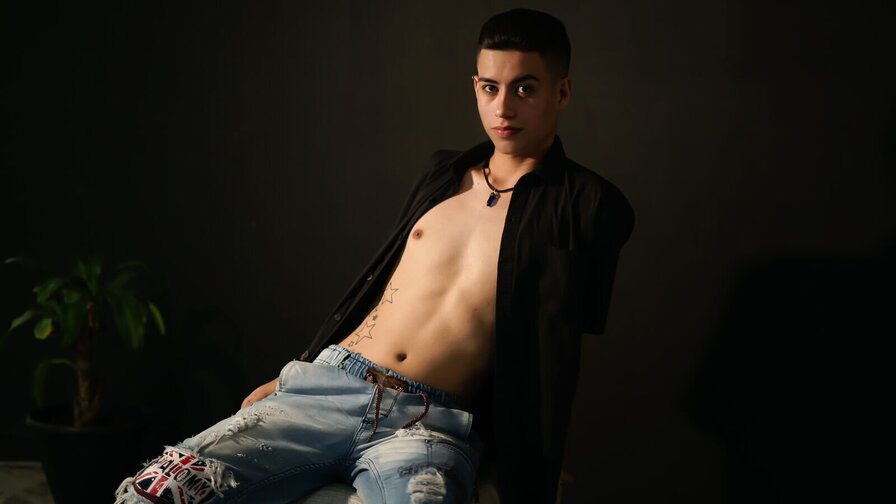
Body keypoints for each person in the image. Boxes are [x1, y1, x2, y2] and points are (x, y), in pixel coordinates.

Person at [115, 8, 634, 504]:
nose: (503, 108)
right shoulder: (443, 173)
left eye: (524, 88)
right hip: (329, 386)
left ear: (562, 92)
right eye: (490, 87)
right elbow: (381, 290)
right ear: (475, 86)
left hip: (427, 421)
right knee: (156, 491)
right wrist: (295, 372)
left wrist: (537, 458)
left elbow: (555, 344)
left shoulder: (588, 205)